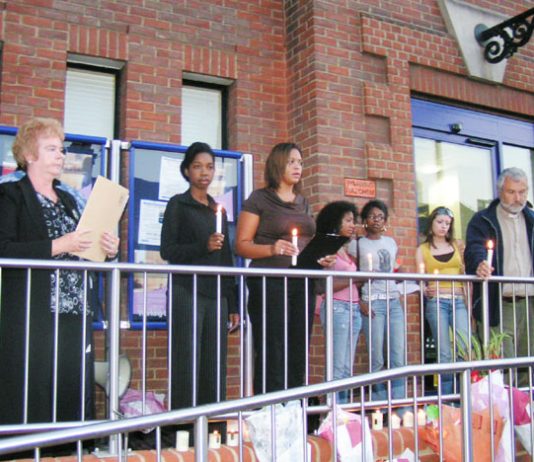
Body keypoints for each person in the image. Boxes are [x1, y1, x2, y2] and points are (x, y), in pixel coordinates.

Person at [0, 117, 119, 424]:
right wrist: (58, 244)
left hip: (75, 308)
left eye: (61, 149)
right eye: (51, 148)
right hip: (34, 311)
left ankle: (68, 451)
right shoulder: (10, 195)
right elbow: (4, 249)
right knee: (34, 387)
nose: (60, 155)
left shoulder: (69, 199)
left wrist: (106, 251)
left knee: (71, 384)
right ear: (29, 155)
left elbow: (84, 250)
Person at [235, 142, 333, 394]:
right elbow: (242, 245)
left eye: (300, 162)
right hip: (270, 281)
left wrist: (321, 258)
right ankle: (269, 410)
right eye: (291, 161)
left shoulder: (303, 202)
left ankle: (293, 408)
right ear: (277, 163)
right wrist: (272, 249)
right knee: (273, 348)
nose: (298, 166)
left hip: (302, 282)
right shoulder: (259, 198)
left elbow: (309, 243)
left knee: (299, 346)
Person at [160, 141, 239, 409]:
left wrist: (234, 302)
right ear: (186, 171)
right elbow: (167, 250)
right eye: (197, 167)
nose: (204, 172)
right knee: (186, 361)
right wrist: (202, 246)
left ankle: (212, 425)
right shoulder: (178, 205)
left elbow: (227, 259)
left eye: (209, 167)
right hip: (187, 291)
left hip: (217, 295)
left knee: (214, 363)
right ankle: (182, 428)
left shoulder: (218, 209)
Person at [464, 167, 534, 385]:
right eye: (512, 192)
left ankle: (526, 416)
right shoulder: (483, 220)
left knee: (529, 365)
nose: (518, 198)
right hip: (499, 303)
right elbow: (474, 249)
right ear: (500, 191)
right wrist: (479, 264)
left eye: (523, 192)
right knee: (503, 366)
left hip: (530, 304)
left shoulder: (532, 219)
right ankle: (505, 416)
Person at [416, 206, 469, 395]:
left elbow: (465, 271)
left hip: (458, 300)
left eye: (447, 223)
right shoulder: (423, 249)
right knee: (444, 352)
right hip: (437, 301)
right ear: (431, 224)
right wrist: (425, 289)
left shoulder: (457, 245)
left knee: (464, 348)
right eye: (440, 222)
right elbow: (420, 279)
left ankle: (464, 395)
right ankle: (446, 399)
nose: (443, 226)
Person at [359, 199, 406, 401]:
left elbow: (394, 269)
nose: (376, 220)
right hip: (373, 302)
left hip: (393, 301)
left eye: (380, 216)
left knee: (398, 356)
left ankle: (400, 405)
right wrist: (361, 301)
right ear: (364, 221)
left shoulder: (391, 242)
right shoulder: (357, 245)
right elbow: (353, 275)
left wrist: (402, 280)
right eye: (372, 216)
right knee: (376, 357)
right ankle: (378, 406)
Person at [316, 201, 360, 403]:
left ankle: (342, 411)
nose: (353, 225)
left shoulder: (345, 249)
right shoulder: (327, 247)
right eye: (349, 220)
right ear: (336, 222)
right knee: (337, 366)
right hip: (337, 307)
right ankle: (333, 412)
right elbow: (324, 285)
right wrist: (355, 279)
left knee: (346, 367)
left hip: (353, 308)